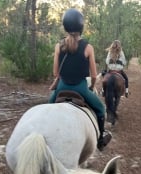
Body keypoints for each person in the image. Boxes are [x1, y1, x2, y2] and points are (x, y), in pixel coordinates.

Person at [48, 8, 111, 151]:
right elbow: (94, 75)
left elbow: (55, 72)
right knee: (101, 109)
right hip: (80, 88)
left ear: (65, 25)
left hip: (61, 87)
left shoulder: (59, 45)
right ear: (81, 26)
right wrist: (91, 86)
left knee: (48, 106)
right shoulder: (88, 47)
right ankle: (101, 139)